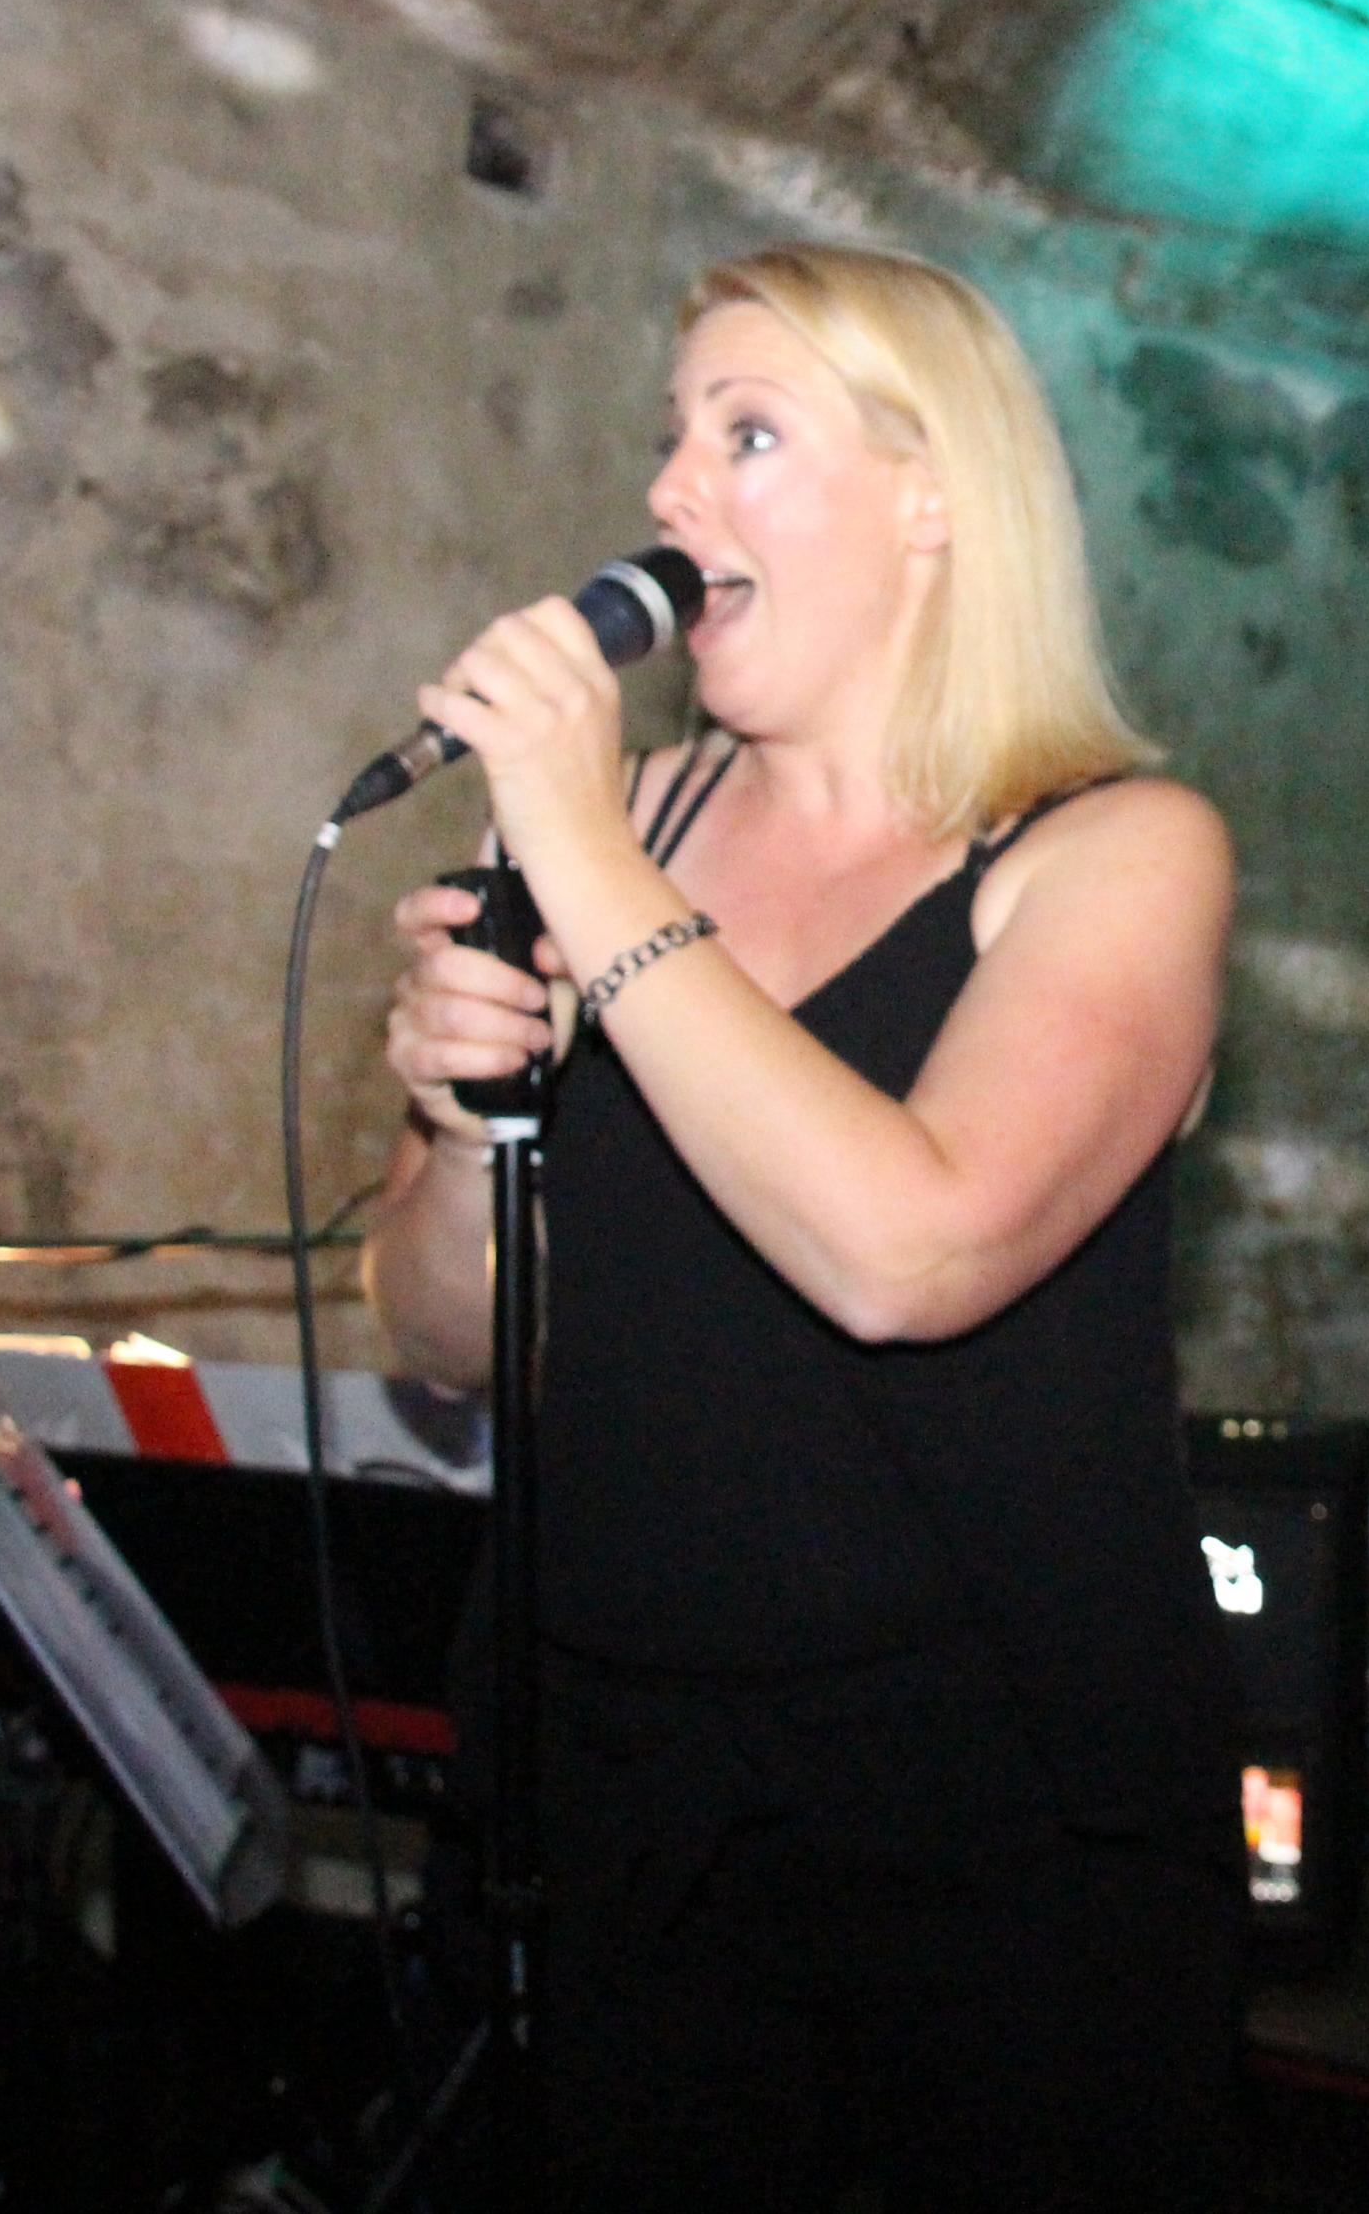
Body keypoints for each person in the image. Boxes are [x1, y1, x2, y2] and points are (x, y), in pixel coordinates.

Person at [361, 243, 1243, 2207]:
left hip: (989, 1836)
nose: (670, 489)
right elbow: (439, 1333)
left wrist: (583, 862)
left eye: (746, 433)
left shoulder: (1117, 851)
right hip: (608, 1799)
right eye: (671, 435)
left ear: (934, 501)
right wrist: (464, 1122)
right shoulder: (621, 827)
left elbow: (907, 1256)